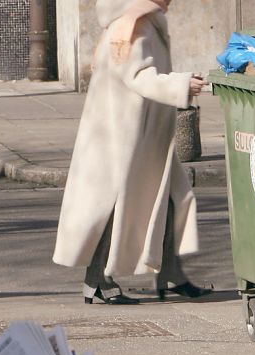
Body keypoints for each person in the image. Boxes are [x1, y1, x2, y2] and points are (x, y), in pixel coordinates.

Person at [53, 0, 211, 305]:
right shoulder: (132, 26)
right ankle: (97, 281)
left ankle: (170, 273)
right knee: (111, 208)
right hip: (122, 136)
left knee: (175, 199)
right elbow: (138, 77)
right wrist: (181, 85)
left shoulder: (142, 21)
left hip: (143, 134)